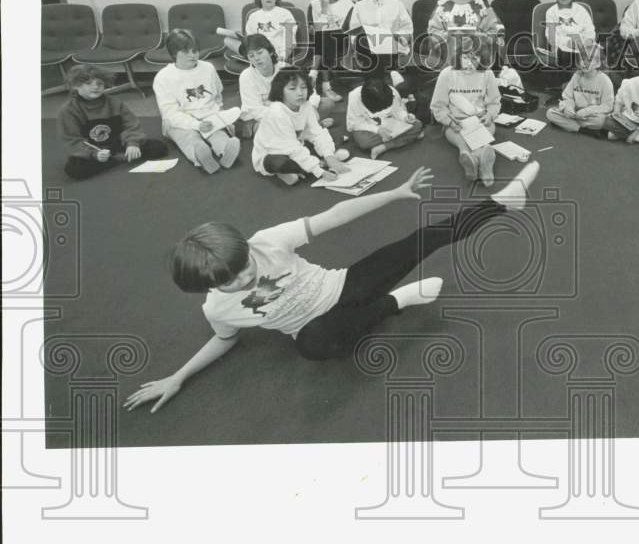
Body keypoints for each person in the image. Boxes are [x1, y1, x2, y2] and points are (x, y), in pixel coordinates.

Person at [123, 161, 542, 413]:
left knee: (419, 240)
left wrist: (395, 192)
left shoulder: (266, 241)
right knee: (313, 345)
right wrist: (177, 376)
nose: (245, 277)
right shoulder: (218, 309)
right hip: (315, 328)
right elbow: (223, 340)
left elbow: (336, 214)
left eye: (244, 266)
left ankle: (503, 202)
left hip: (343, 285)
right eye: (231, 281)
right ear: (208, 289)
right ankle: (399, 300)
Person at [59, 64, 168, 180]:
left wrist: (132, 143)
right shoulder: (68, 110)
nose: (95, 87)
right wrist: (94, 154)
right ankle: (117, 159)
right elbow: (72, 140)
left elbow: (131, 124)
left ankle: (116, 158)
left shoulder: (114, 102)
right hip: (95, 151)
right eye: (89, 84)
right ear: (76, 85)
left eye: (99, 84)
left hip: (119, 144)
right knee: (74, 169)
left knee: (158, 148)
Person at [153, 29, 240, 173]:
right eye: (186, 52)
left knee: (217, 133)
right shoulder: (163, 77)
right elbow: (170, 113)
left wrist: (219, 114)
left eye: (195, 51)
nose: (192, 55)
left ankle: (226, 150)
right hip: (180, 120)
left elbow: (217, 94)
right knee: (188, 138)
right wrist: (196, 124)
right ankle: (199, 155)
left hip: (208, 115)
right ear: (174, 53)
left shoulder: (208, 68)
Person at [251, 68, 350, 185]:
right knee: (281, 163)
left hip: (297, 143)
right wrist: (319, 171)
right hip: (272, 153)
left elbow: (316, 132)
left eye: (303, 87)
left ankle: (317, 163)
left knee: (328, 136)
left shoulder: (306, 105)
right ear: (280, 91)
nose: (300, 93)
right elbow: (291, 148)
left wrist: (329, 158)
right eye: (292, 88)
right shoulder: (277, 112)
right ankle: (297, 169)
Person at [430, 34, 501, 185]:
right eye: (465, 57)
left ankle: (477, 159)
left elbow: (495, 102)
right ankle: (471, 155)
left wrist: (490, 115)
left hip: (480, 120)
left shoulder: (487, 74)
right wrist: (449, 120)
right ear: (458, 55)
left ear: (483, 59)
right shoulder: (447, 74)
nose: (469, 64)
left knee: (487, 129)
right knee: (459, 138)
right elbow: (437, 106)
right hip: (456, 122)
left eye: (475, 59)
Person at [427, 0, 498, 65]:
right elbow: (432, 33)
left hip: (478, 60)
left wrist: (476, 38)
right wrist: (452, 39)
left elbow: (495, 31)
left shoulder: (482, 3)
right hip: (450, 61)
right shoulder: (442, 5)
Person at [349, 0, 413, 74]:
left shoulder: (397, 5)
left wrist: (395, 37)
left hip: (393, 50)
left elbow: (407, 31)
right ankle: (392, 75)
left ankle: (380, 80)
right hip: (368, 51)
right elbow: (354, 35)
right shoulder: (359, 7)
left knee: (384, 49)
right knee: (367, 46)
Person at [346, 73, 424, 160]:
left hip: (391, 123)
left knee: (417, 125)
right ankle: (406, 138)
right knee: (364, 142)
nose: (382, 110)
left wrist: (405, 117)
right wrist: (377, 130)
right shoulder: (354, 97)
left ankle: (384, 147)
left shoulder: (392, 91)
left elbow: (398, 110)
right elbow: (353, 124)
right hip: (370, 127)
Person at [544, 40, 614, 137]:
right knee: (550, 113)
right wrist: (568, 107)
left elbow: (607, 106)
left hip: (590, 116)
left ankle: (569, 125)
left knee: (601, 121)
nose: (584, 63)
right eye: (582, 59)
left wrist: (587, 111)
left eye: (589, 60)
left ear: (598, 63)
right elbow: (567, 97)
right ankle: (582, 130)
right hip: (575, 114)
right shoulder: (577, 75)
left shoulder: (605, 81)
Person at [223, 0, 298, 64]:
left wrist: (283, 57)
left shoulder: (285, 14)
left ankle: (255, 59)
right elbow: (250, 40)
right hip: (257, 52)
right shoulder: (253, 16)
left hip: (275, 53)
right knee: (227, 40)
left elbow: (290, 41)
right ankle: (253, 58)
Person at [307, 0, 354, 101]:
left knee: (324, 37)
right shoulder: (314, 4)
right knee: (322, 36)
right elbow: (311, 30)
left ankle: (314, 74)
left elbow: (352, 26)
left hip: (343, 41)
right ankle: (326, 87)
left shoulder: (346, 2)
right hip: (323, 43)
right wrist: (323, 9)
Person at [236, 34, 285, 138]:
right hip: (258, 119)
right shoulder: (246, 76)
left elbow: (308, 92)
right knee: (266, 129)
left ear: (271, 52)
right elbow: (255, 111)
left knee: (326, 104)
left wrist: (310, 107)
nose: (257, 59)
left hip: (285, 114)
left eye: (260, 52)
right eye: (251, 56)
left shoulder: (284, 69)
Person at [542, 0, 595, 69]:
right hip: (562, 48)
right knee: (570, 59)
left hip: (582, 46)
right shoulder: (551, 12)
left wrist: (588, 41)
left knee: (595, 56)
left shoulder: (581, 10)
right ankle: (571, 81)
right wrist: (567, 42)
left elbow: (589, 30)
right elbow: (550, 36)